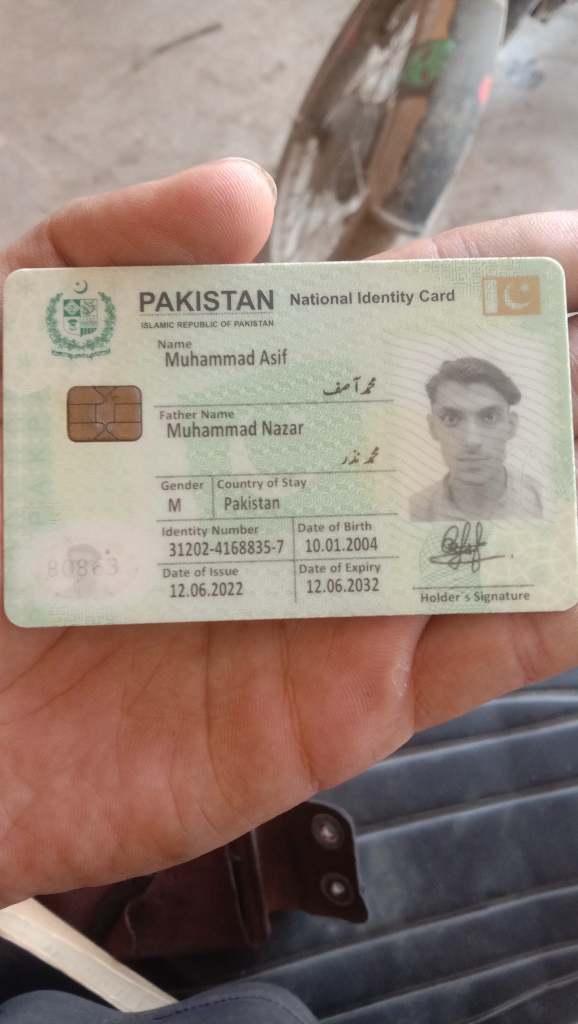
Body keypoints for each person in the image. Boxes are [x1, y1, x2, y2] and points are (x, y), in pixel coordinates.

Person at [0, 158, 578, 1020]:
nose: (470, 435)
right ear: (425, 423)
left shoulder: (513, 525)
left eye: (488, 415)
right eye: (452, 415)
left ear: (514, 420)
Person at [409, 357, 542, 521]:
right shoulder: (414, 511)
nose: (472, 440)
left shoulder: (545, 502)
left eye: (489, 417)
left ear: (511, 425)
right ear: (433, 427)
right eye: (451, 419)